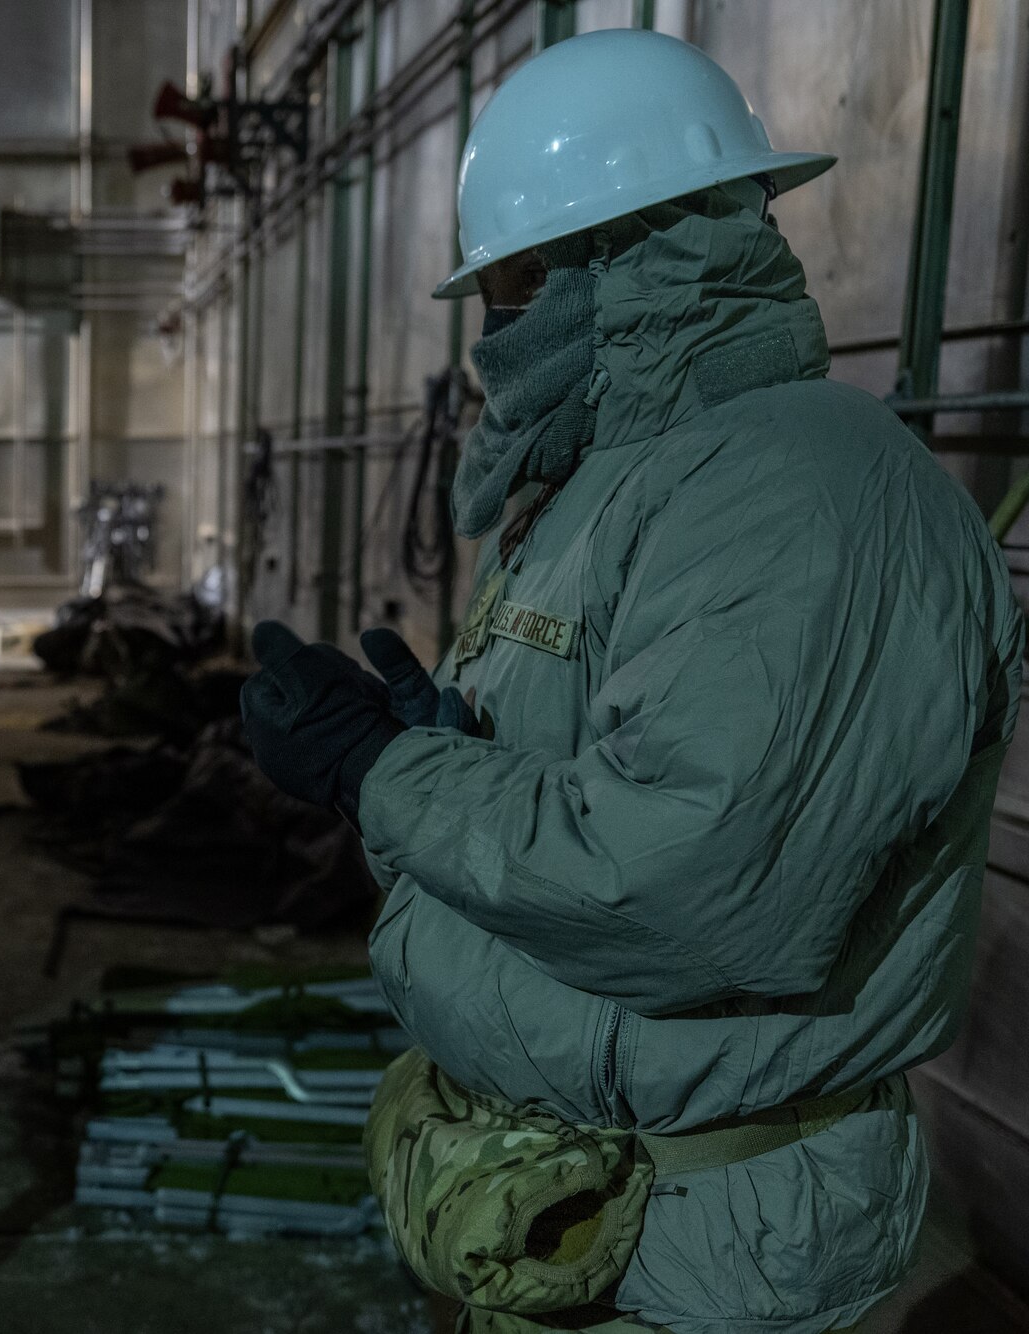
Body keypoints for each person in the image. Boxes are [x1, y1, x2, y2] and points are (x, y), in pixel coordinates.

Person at [239, 30, 1022, 1334]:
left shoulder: (796, 496)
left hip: (711, 1235)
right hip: (594, 1196)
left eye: (521, 281)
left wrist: (385, 770)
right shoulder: (625, 477)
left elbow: (700, 892)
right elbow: (619, 770)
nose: (501, 324)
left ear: (634, 261)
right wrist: (454, 744)